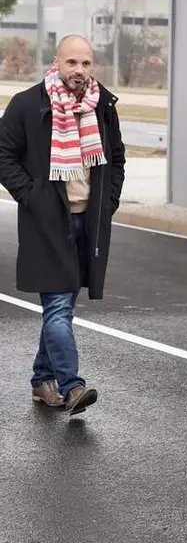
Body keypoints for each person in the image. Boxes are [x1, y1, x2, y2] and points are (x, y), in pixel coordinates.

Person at [0, 35, 126, 415]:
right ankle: (72, 386)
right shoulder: (27, 104)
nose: (79, 71)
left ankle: (42, 379)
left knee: (63, 305)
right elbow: (4, 156)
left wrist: (108, 202)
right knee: (57, 305)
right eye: (72, 63)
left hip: (88, 220)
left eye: (86, 63)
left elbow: (116, 158)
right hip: (47, 222)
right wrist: (32, 197)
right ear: (57, 62)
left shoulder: (102, 106)